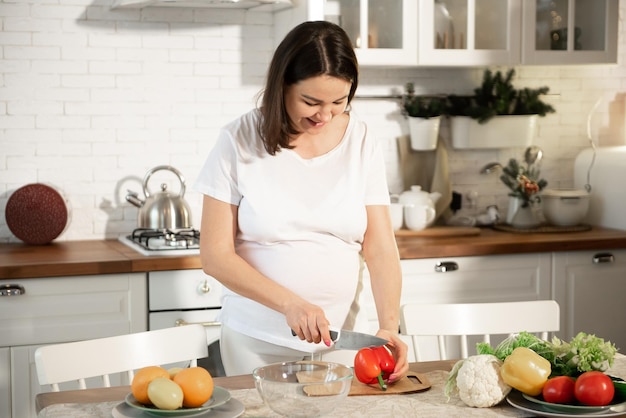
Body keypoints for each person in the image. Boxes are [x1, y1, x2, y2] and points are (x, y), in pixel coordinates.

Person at [194, 20, 408, 381]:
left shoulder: (362, 140)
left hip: (343, 340)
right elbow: (215, 256)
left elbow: (380, 245)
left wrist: (389, 326)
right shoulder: (238, 140)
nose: (324, 115)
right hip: (255, 340)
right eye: (310, 101)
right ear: (282, 88)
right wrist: (290, 304)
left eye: (339, 102)